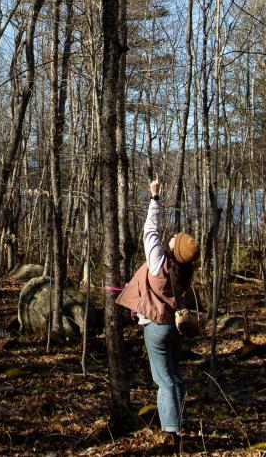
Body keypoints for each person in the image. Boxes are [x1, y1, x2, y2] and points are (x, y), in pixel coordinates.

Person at [116, 173, 199, 435]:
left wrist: (155, 196)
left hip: (156, 327)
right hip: (173, 328)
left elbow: (150, 230)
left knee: (163, 381)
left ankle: (171, 431)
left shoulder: (158, 263)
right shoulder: (183, 271)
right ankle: (180, 420)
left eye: (176, 239)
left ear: (174, 251)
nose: (174, 236)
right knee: (175, 377)